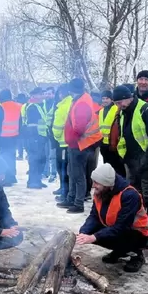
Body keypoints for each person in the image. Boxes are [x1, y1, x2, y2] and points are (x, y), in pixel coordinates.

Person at [111, 83, 148, 248]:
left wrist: (145, 163)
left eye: (122, 101)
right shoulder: (123, 113)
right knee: (136, 200)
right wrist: (124, 158)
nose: (119, 105)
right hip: (133, 164)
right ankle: (140, 230)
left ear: (130, 97)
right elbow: (125, 136)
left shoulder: (147, 110)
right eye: (116, 103)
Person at [76, 163, 148, 273]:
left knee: (102, 236)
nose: (93, 186)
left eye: (96, 183)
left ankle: (136, 254)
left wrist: (94, 237)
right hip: (116, 229)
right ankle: (120, 251)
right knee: (91, 232)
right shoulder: (101, 191)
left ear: (107, 184)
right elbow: (94, 216)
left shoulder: (129, 195)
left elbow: (122, 226)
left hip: (137, 234)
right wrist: (84, 233)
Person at [57, 78, 103, 214]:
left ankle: (78, 203)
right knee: (72, 172)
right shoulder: (81, 99)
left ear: (73, 89)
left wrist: (73, 136)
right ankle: (71, 198)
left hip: (81, 144)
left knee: (78, 175)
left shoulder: (82, 103)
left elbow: (79, 127)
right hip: (77, 143)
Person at [52, 84, 73, 203]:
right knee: (65, 168)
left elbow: (58, 126)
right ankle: (64, 189)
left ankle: (65, 192)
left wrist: (56, 135)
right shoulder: (71, 103)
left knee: (63, 168)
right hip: (68, 142)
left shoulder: (63, 106)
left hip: (63, 143)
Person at [25, 87, 48, 189]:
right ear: (34, 96)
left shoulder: (40, 106)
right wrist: (35, 138)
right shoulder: (32, 107)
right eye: (40, 94)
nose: (42, 96)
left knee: (41, 159)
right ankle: (32, 181)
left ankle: (37, 179)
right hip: (34, 137)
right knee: (35, 159)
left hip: (40, 136)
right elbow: (31, 125)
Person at [0, 89, 22, 186]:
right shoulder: (18, 106)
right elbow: (20, 121)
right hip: (14, 135)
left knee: (4, 158)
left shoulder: (1, 107)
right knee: (12, 157)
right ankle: (12, 176)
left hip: (3, 136)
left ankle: (7, 178)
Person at [98, 90, 125, 177]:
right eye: (103, 98)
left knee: (117, 169)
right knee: (107, 168)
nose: (105, 100)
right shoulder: (101, 111)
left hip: (114, 145)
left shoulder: (116, 109)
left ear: (111, 99)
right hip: (103, 144)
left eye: (107, 98)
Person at [43, 87, 57, 182]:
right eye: (46, 93)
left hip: (53, 133)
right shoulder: (43, 104)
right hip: (44, 133)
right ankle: (45, 172)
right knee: (45, 154)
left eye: (49, 93)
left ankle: (53, 173)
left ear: (53, 94)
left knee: (53, 155)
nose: (47, 95)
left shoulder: (56, 104)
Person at [15, 93, 28, 160]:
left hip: (19, 126)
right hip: (26, 126)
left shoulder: (17, 105)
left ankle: (20, 155)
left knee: (20, 142)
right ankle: (28, 154)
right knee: (26, 142)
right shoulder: (26, 105)